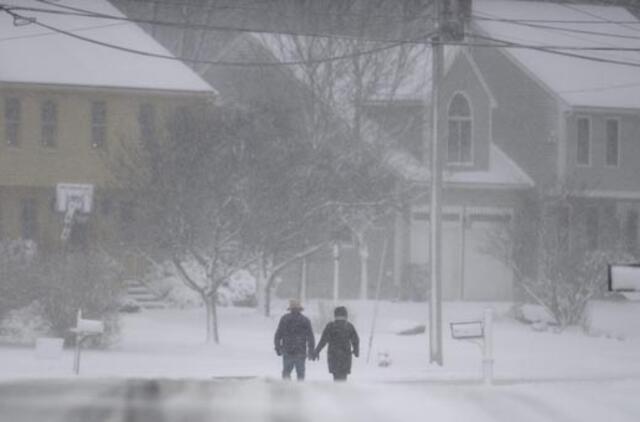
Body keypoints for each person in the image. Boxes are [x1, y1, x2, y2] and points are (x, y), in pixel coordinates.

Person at [312, 306, 359, 382]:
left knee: (336, 376)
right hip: (345, 356)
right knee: (343, 377)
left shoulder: (330, 326)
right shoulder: (349, 326)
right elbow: (355, 340)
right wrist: (356, 351)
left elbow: (323, 341)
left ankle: (337, 391)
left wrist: (317, 351)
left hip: (333, 355)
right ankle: (342, 392)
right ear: (345, 315)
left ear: (335, 315)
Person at [274, 299, 315, 381]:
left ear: (290, 309)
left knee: (286, 373)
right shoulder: (305, 320)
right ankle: (299, 391)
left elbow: (278, 335)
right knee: (300, 375)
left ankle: (287, 390)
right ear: (300, 309)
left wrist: (278, 347)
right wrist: (311, 350)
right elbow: (310, 337)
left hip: (287, 351)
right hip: (300, 352)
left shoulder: (285, 319)